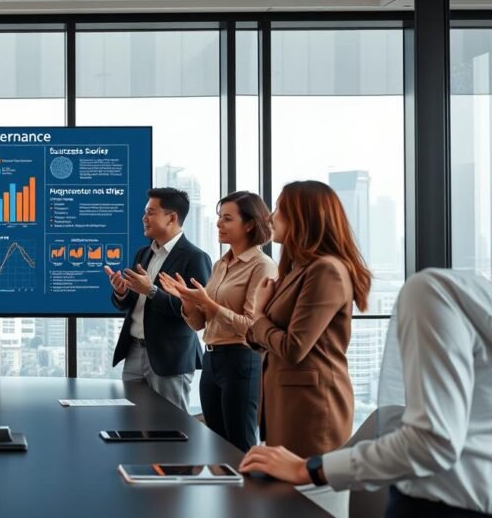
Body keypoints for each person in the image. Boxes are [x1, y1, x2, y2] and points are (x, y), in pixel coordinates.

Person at [239, 269, 492, 518]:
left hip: (435, 506)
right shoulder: (475, 300)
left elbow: (433, 442)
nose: (270, 225)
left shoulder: (435, 291)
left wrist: (309, 468)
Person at [247, 180, 371, 458]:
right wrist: (261, 320)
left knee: (307, 499)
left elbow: (294, 347)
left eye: (279, 208)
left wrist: (258, 314)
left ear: (302, 218)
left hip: (312, 410)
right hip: (288, 405)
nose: (270, 216)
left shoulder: (326, 270)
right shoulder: (297, 269)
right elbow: (263, 338)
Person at [159, 191, 276, 451]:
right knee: (216, 443)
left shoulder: (261, 265)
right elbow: (200, 324)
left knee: (239, 443)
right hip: (212, 359)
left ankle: (249, 492)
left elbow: (252, 326)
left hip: (242, 360)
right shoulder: (220, 264)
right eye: (219, 218)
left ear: (249, 224)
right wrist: (187, 300)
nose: (219, 224)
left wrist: (209, 303)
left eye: (227, 219)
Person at [105, 187, 213, 412]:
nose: (144, 218)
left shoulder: (195, 258)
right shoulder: (143, 254)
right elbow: (132, 303)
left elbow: (194, 314)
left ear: (172, 217)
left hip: (169, 359)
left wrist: (151, 290)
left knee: (171, 427)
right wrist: (121, 292)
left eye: (151, 212)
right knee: (131, 425)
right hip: (134, 351)